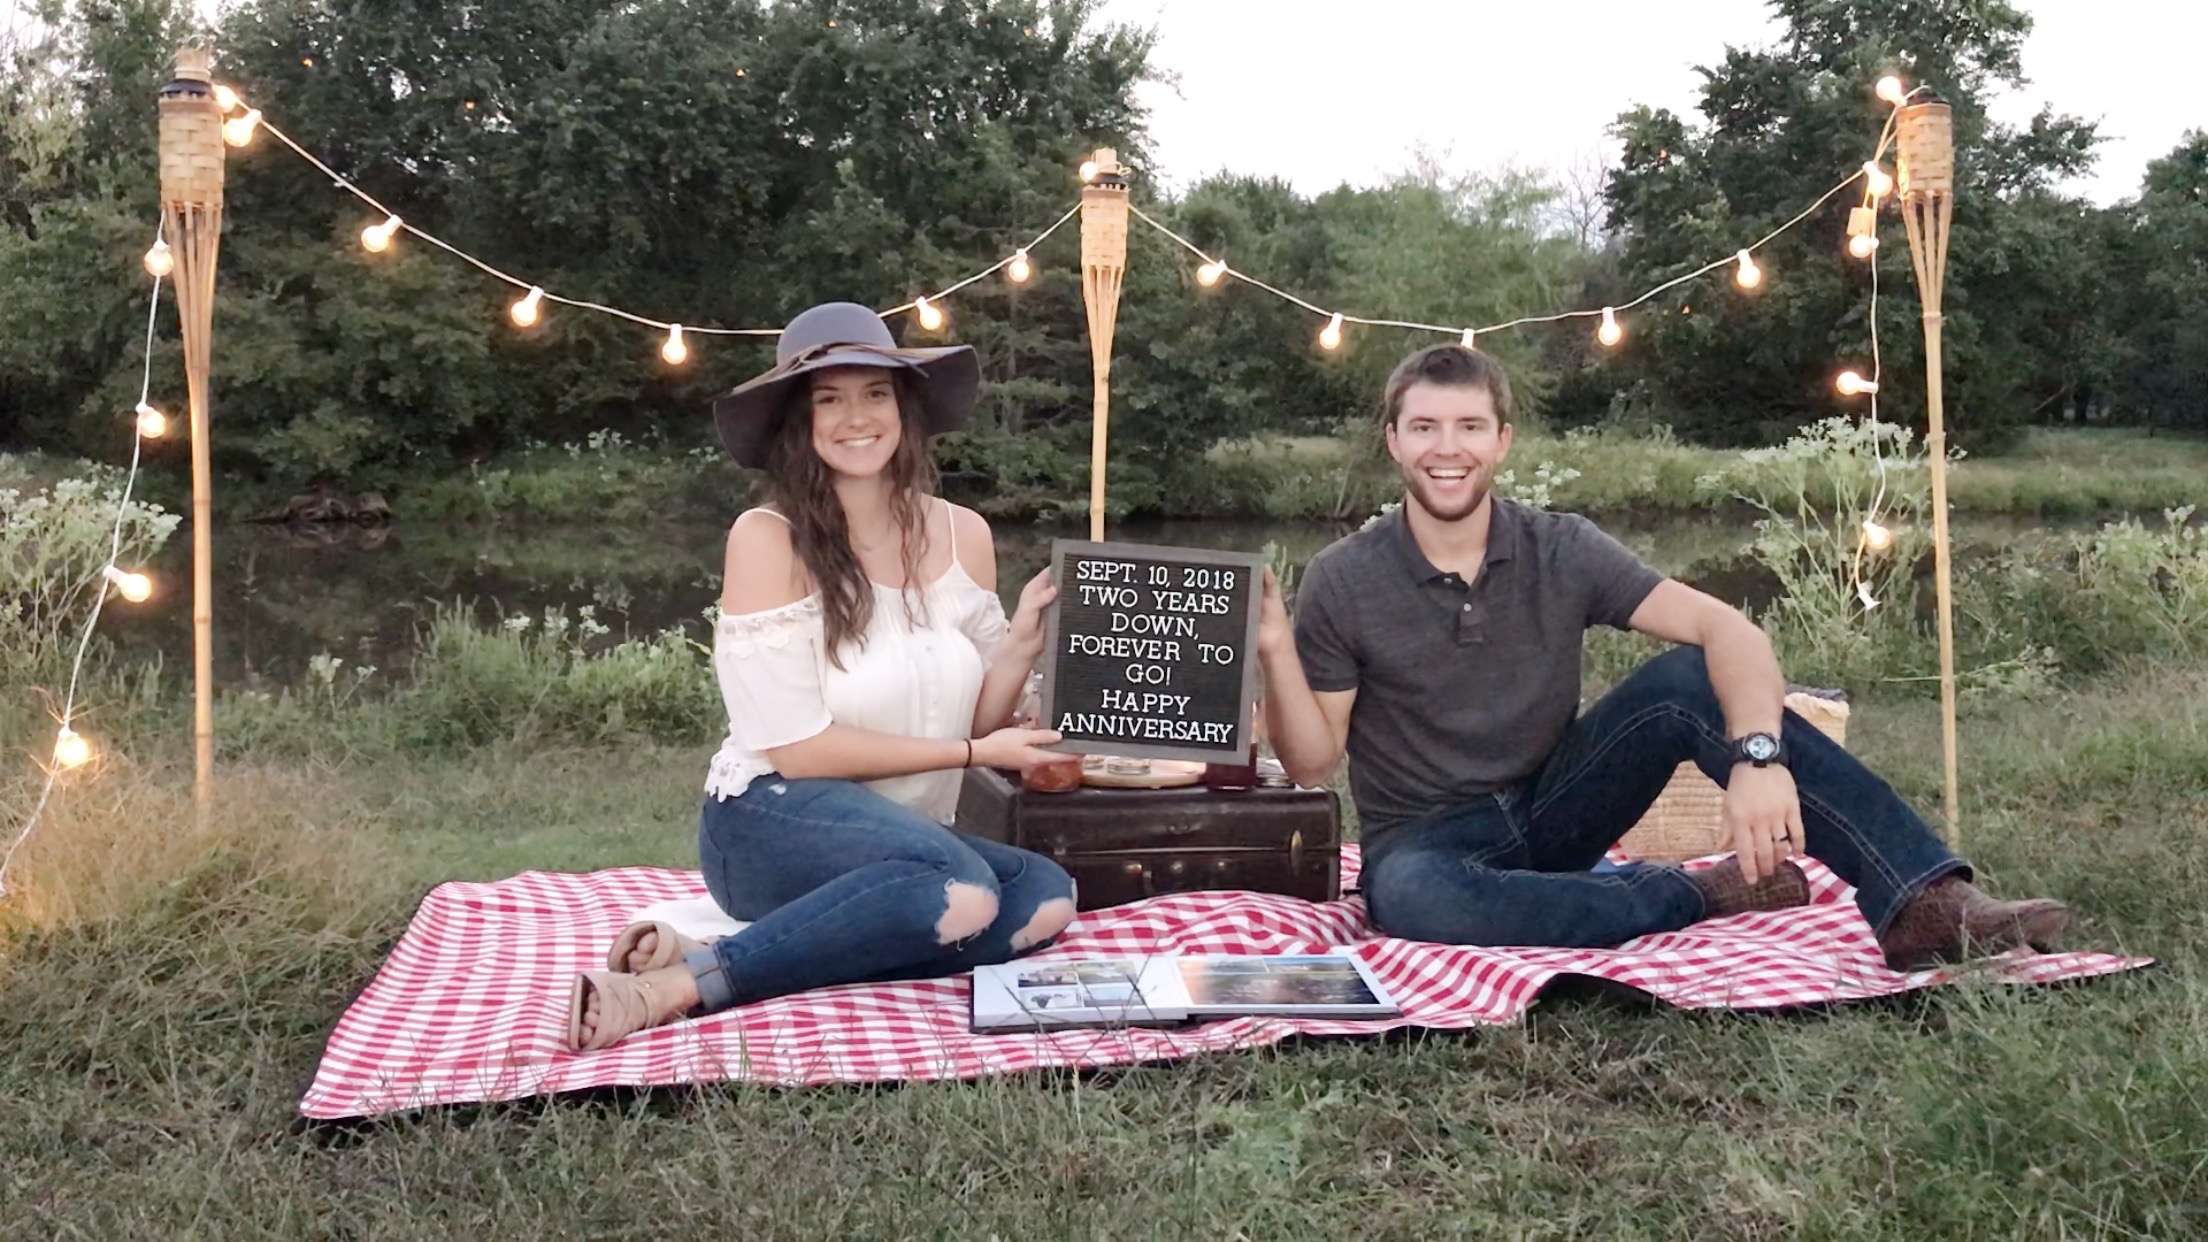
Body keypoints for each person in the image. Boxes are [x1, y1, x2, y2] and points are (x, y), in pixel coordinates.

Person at [1256, 343, 2069, 968]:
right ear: (1394, 441)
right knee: (1413, 903)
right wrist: (1272, 649)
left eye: (1469, 426)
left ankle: (1925, 904)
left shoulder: (1562, 547)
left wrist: (1758, 757)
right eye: (1425, 427)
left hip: (1555, 804)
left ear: (1502, 441)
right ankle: (1693, 891)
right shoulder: (1343, 577)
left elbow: (1733, 632)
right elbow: (1314, 761)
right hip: (1426, 844)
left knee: (1687, 679)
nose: (1448, 448)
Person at [569, 302, 1077, 1050]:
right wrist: (976, 759)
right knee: (960, 895)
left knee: (1043, 896)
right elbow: (803, 750)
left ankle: (739, 949)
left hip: (910, 842)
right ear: (798, 421)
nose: (855, 417)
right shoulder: (768, 538)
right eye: (828, 399)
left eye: (874, 393)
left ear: (904, 407)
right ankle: (677, 987)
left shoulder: (961, 532)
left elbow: (978, 723)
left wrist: (1021, 648)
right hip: (773, 821)